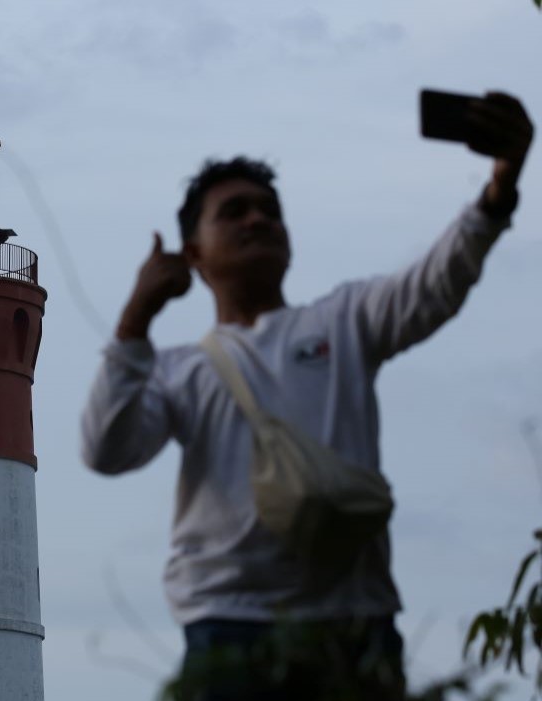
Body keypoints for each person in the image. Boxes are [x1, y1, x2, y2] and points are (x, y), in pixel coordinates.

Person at [80, 92, 533, 700]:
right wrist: (136, 315)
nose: (257, 220)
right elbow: (106, 450)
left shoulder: (343, 321)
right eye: (234, 211)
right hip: (227, 623)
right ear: (193, 253)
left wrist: (499, 187)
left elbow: (437, 282)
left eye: (270, 210)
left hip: (353, 616)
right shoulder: (177, 371)